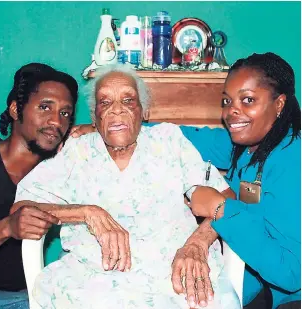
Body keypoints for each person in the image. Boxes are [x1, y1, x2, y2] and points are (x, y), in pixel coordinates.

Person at [70, 52, 301, 309]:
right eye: (227, 101)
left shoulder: (291, 163)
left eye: (248, 100)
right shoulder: (243, 143)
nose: (232, 111)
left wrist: (221, 209)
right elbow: (178, 135)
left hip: (283, 296)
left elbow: (291, 274)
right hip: (242, 274)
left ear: (279, 105)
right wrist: (114, 126)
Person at [14, 64, 240, 309]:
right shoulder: (77, 152)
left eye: (128, 100)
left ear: (143, 112)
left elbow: (226, 200)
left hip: (175, 271)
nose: (117, 110)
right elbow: (21, 210)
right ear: (95, 116)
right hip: (94, 281)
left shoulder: (169, 141)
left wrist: (198, 243)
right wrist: (86, 212)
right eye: (105, 103)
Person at [0, 62, 78, 308]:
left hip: (22, 298)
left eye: (65, 113)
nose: (56, 121)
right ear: (15, 109)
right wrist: (7, 228)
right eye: (45, 107)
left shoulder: (62, 170)